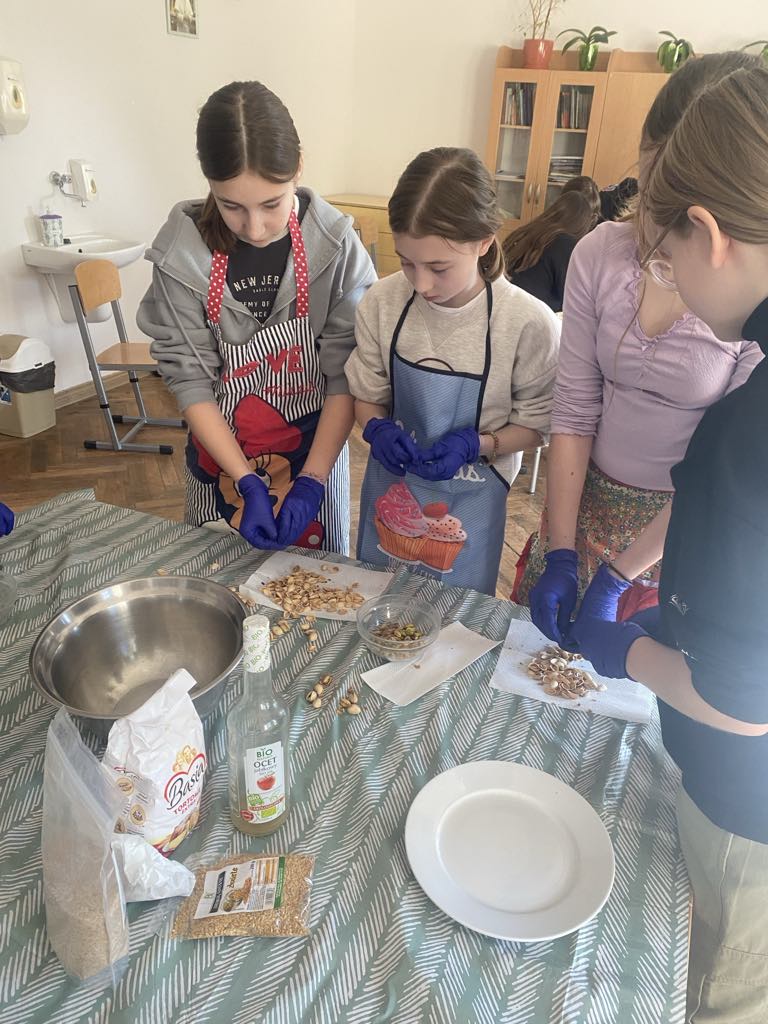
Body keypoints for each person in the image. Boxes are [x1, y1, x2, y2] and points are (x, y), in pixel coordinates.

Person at [572, 62, 768, 1023]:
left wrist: (625, 652)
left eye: (673, 254)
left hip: (747, 806)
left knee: (725, 991)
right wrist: (619, 566)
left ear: (711, 234)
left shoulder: (747, 429)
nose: (676, 289)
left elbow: (742, 702)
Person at [513, 52, 764, 645]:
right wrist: (563, 552)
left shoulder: (744, 316)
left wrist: (620, 578)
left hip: (675, 531)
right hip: (587, 503)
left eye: (667, 207)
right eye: (648, 193)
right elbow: (574, 408)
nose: (652, 226)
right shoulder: (599, 254)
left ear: (708, 227)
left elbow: (733, 685)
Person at [137, 81, 376, 555]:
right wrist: (245, 480)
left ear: (298, 168)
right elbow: (192, 384)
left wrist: (312, 482)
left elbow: (344, 378)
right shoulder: (181, 259)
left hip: (315, 457)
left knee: (318, 585)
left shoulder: (335, 248)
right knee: (220, 581)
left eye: (272, 203)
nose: (255, 227)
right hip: (220, 464)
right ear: (209, 182)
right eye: (231, 206)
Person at [345, 147, 560, 596]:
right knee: (377, 605)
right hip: (393, 492)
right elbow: (367, 395)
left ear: (484, 242)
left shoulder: (525, 322)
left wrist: (478, 445)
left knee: (454, 622)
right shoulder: (382, 302)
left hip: (472, 502)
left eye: (439, 267)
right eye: (407, 262)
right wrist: (376, 427)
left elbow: (537, 425)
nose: (421, 284)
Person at [503, 176, 600, 312]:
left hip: (503, 308)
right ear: (587, 220)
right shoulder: (565, 244)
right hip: (526, 315)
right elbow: (573, 301)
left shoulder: (529, 230)